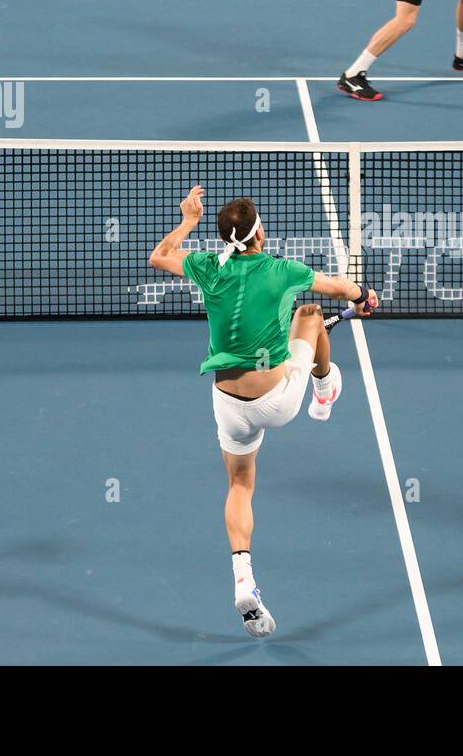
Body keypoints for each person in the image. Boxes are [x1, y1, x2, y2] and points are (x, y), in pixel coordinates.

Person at [149, 185, 377, 637]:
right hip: (279, 400)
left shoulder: (206, 268)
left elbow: (159, 256)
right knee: (310, 315)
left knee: (239, 483)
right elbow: (338, 287)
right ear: (260, 235)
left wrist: (188, 221)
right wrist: (363, 297)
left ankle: (244, 579)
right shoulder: (282, 269)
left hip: (229, 402)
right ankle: (325, 386)